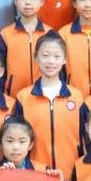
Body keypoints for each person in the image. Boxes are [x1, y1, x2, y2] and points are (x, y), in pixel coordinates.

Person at [12, 32, 84, 172]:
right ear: (36, 58)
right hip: (35, 174)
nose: (51, 61)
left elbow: (85, 138)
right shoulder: (23, 97)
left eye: (56, 56)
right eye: (45, 56)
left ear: (65, 59)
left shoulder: (76, 96)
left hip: (70, 173)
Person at [0, 0, 50, 97]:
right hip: (13, 97)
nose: (28, 2)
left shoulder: (49, 34)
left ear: (42, 1)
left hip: (44, 98)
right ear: (15, 0)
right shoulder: (5, 34)